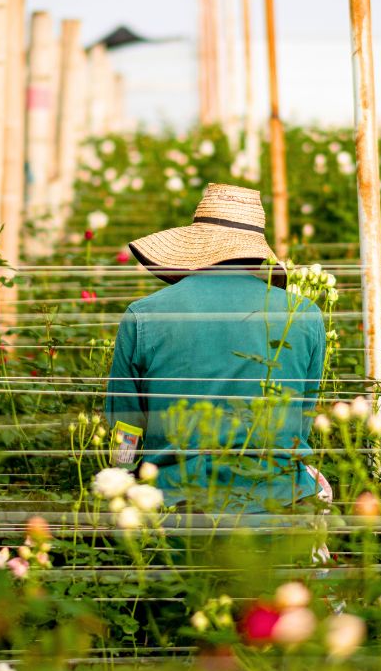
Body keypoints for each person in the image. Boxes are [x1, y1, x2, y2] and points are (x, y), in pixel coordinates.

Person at [104, 183, 327, 513]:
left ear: (195, 245)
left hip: (175, 515)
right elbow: (299, 425)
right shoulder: (305, 315)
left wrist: (121, 484)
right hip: (279, 511)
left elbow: (125, 428)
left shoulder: (144, 315)